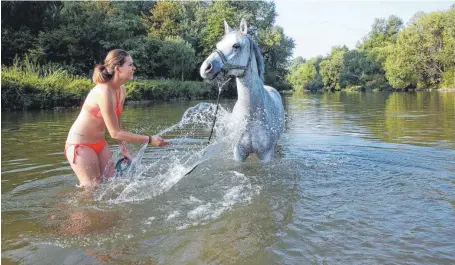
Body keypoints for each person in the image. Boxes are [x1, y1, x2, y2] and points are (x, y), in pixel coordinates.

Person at [65, 49, 168, 188]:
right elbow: (114, 133)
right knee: (92, 189)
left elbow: (118, 127)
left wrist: (125, 150)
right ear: (118, 68)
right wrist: (150, 139)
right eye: (130, 64)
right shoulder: (104, 92)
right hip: (81, 146)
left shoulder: (121, 89)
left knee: (110, 184)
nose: (134, 68)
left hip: (100, 145)